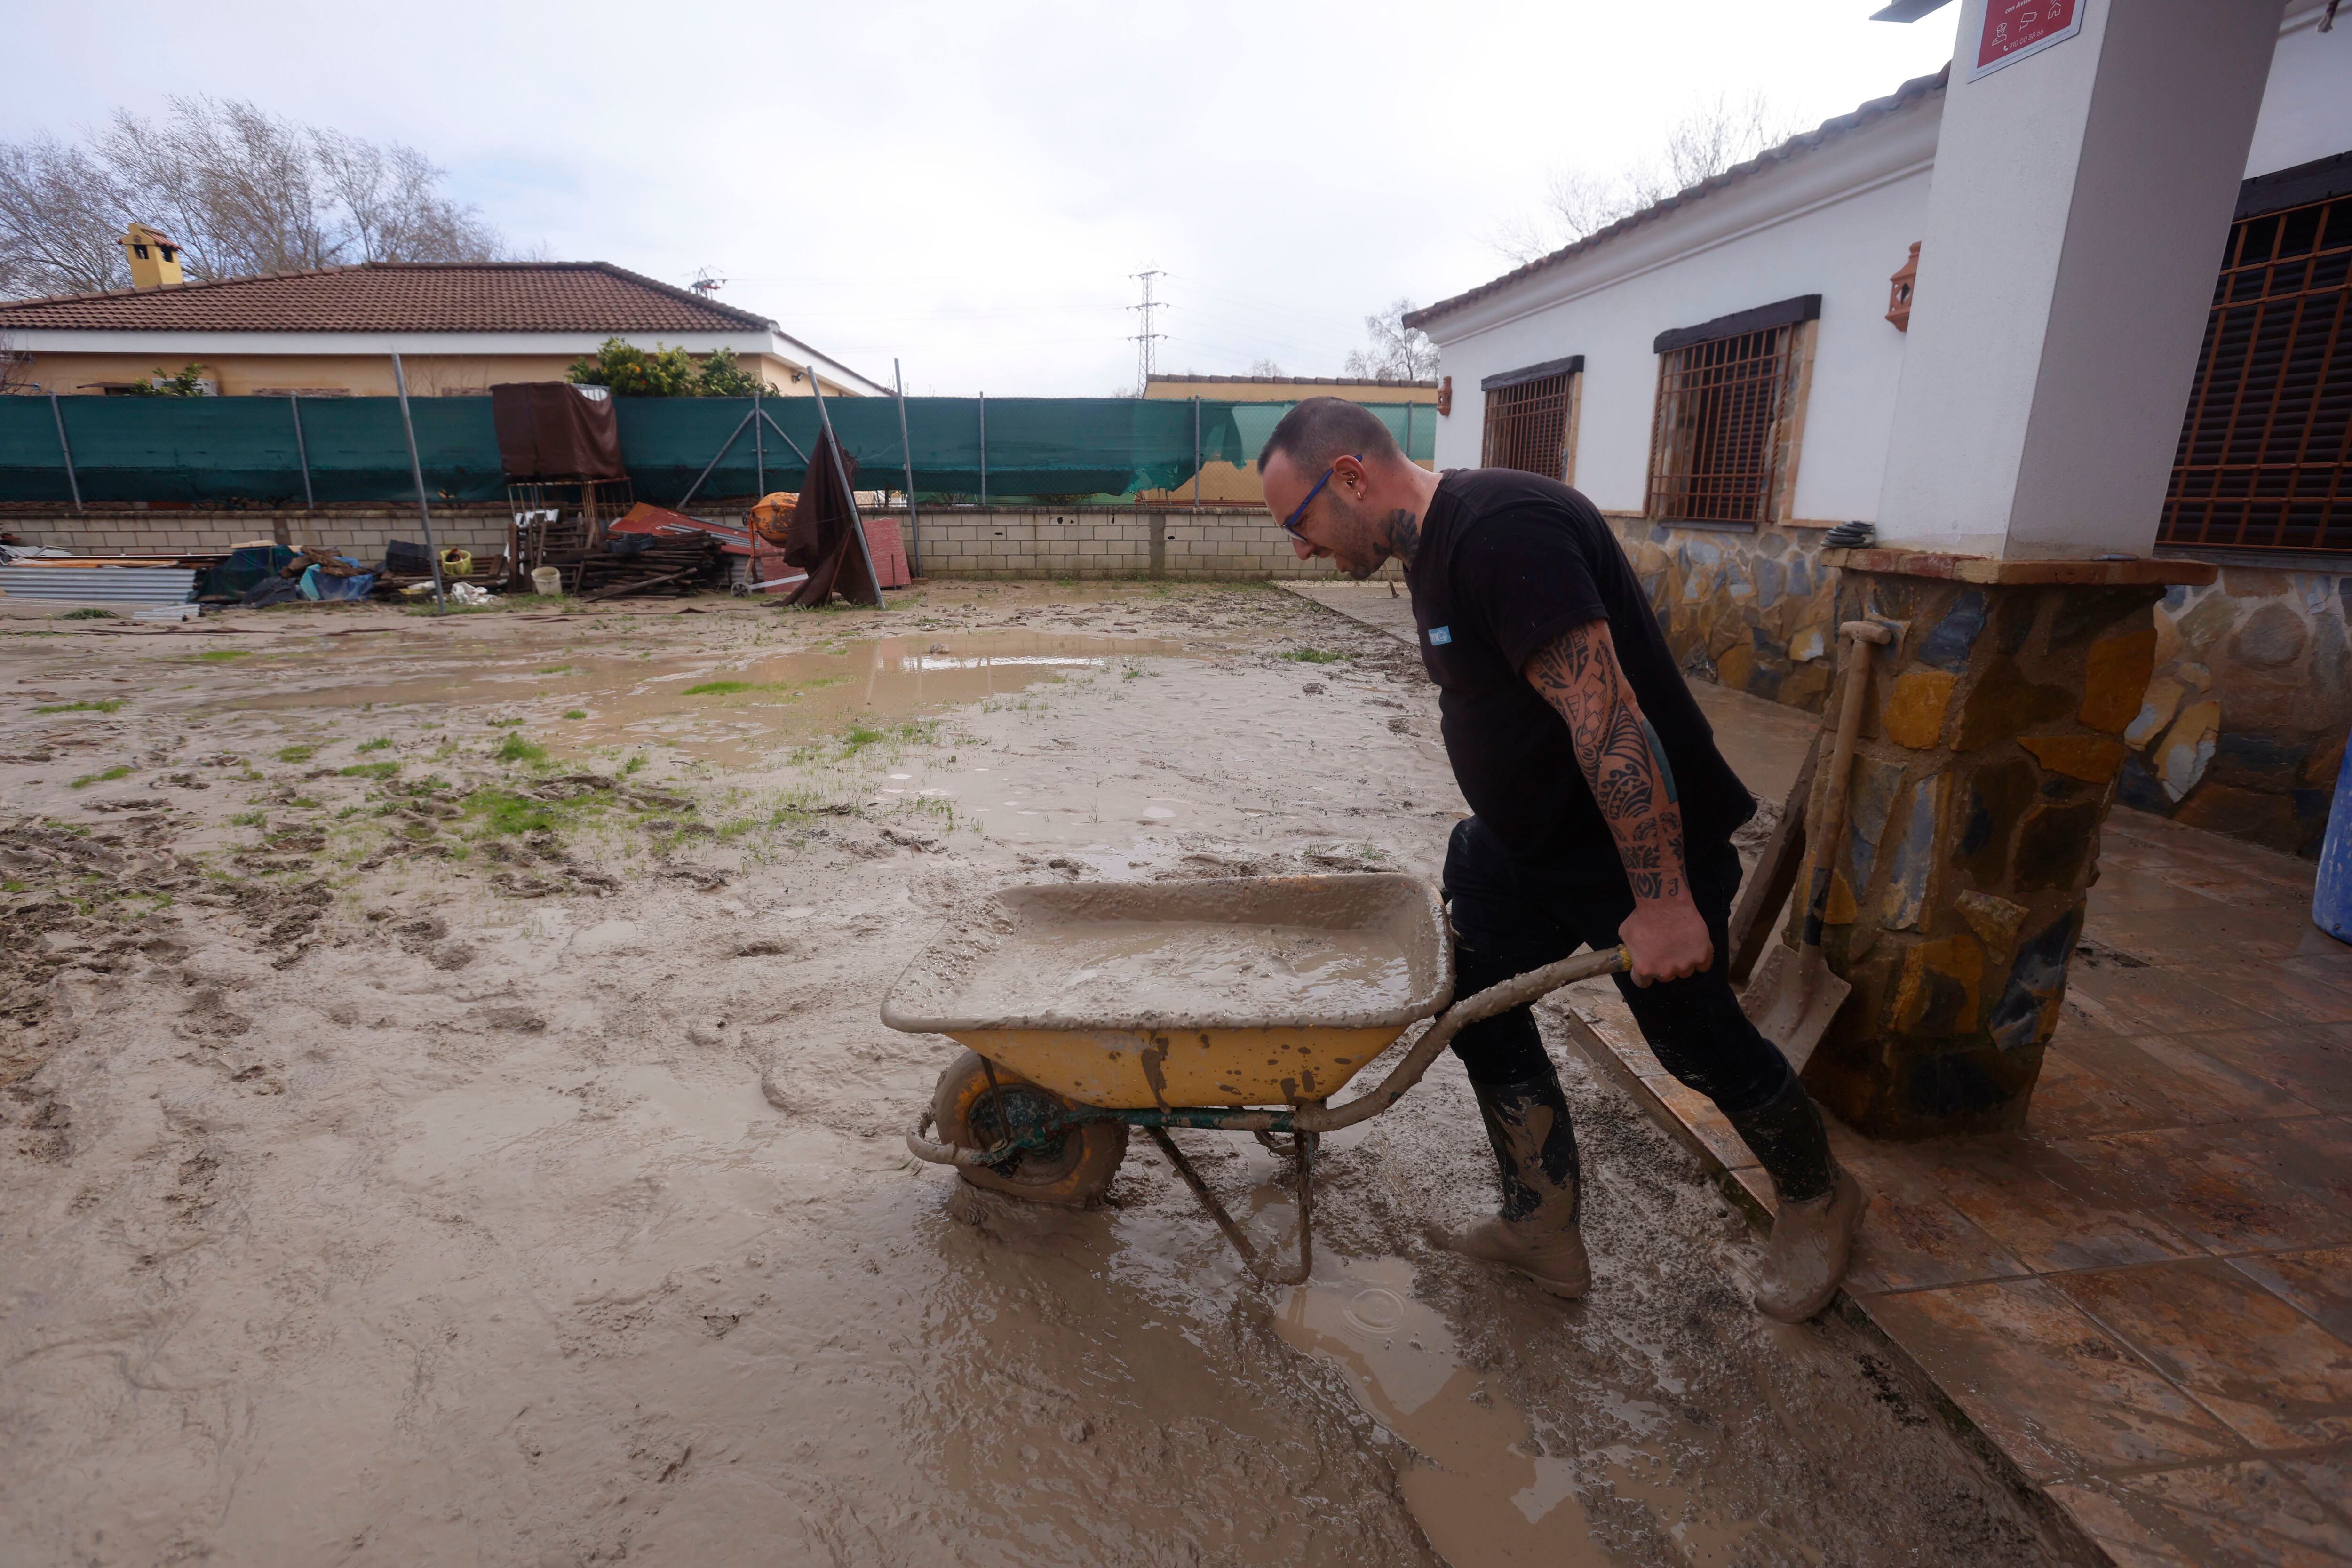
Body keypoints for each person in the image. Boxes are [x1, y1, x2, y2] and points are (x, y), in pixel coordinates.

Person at [1256, 397, 1867, 1322]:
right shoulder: (1428, 550)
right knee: (1472, 1004)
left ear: (1349, 475)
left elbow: (1608, 719)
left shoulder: (1504, 532)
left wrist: (1663, 900)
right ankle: (1541, 1221)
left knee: (1693, 1042)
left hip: (1640, 851)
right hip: (1526, 851)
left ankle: (1819, 1194)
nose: (1299, 549)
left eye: (1298, 523)